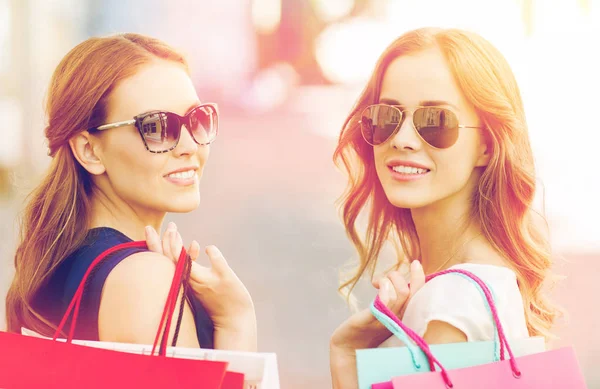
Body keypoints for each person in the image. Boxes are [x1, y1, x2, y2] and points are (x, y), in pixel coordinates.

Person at [329, 27, 557, 388]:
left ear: (487, 144)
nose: (402, 140)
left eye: (434, 121)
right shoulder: (482, 280)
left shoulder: (451, 303)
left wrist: (344, 354)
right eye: (387, 117)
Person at [5, 33, 256, 352]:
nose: (190, 146)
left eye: (197, 119)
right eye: (156, 127)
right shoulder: (145, 279)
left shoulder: (54, 256)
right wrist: (236, 321)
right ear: (90, 151)